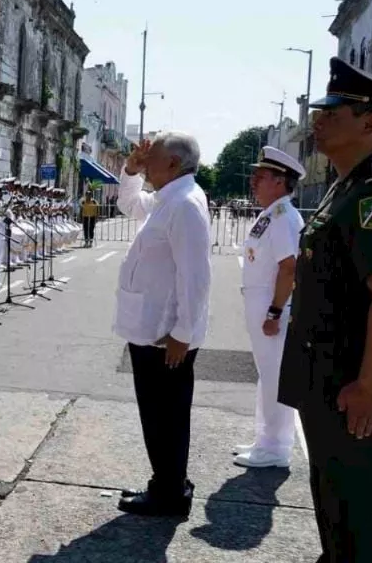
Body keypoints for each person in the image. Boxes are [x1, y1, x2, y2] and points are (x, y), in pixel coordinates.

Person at [280, 57, 372, 563]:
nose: (318, 119)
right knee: (336, 516)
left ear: (369, 122)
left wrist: (371, 386)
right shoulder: (348, 186)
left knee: (355, 527)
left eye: (333, 110)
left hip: (351, 387)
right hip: (329, 382)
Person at [112, 131, 212, 517]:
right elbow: (129, 204)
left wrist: (182, 334)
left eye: (151, 156)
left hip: (164, 336)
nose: (144, 158)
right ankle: (170, 481)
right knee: (162, 413)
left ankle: (168, 492)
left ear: (173, 163)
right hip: (153, 329)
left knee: (163, 416)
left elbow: (196, 277)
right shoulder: (170, 197)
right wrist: (131, 169)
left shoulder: (184, 204)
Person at [234, 145, 306, 469]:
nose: (253, 181)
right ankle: (265, 439)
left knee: (276, 376)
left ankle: (276, 448)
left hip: (271, 306)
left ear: (279, 181)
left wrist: (275, 312)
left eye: (260, 176)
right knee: (267, 374)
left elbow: (289, 267)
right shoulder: (271, 214)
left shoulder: (283, 217)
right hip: (260, 301)